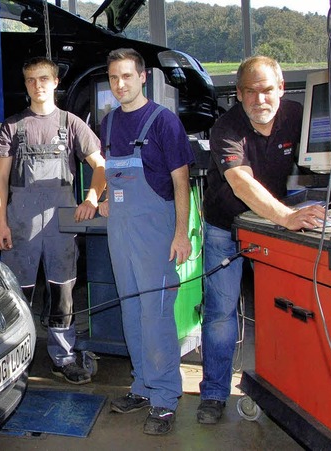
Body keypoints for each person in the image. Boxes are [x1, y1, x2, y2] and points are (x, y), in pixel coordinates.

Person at [198, 56, 325, 424]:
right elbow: (242, 183)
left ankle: (284, 391)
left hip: (270, 226)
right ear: (238, 94)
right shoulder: (226, 127)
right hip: (226, 227)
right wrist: (286, 217)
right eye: (250, 92)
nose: (260, 99)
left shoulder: (297, 116)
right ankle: (214, 394)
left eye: (267, 89)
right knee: (221, 314)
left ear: (281, 89)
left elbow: (326, 154)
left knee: (282, 309)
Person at [98, 48, 193, 435]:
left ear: (142, 77)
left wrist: (181, 232)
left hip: (157, 231)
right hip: (120, 230)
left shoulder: (164, 122)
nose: (120, 85)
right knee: (131, 311)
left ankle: (165, 398)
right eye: (114, 78)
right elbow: (109, 168)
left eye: (126, 76)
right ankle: (141, 386)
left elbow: (181, 181)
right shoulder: (107, 124)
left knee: (155, 314)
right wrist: (103, 198)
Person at [0, 57, 106, 385]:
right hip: (20, 225)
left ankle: (64, 357)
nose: (37, 85)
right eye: (30, 79)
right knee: (18, 294)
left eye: (44, 78)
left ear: (55, 82)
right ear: (26, 84)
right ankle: (16, 358)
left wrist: (92, 198)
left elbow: (100, 165)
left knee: (62, 294)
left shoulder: (71, 124)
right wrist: (0, 223)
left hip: (60, 226)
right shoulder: (12, 127)